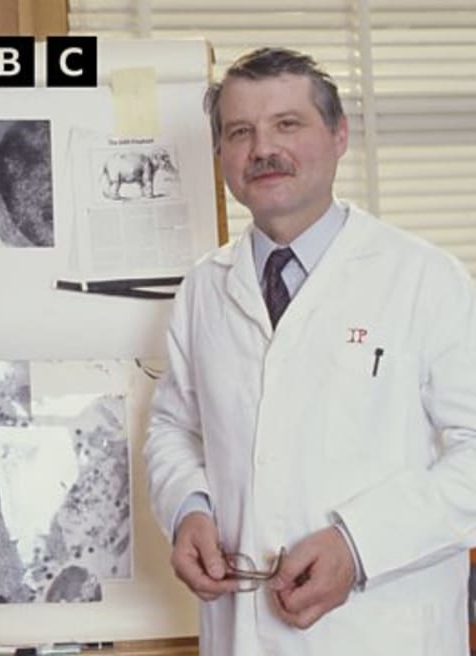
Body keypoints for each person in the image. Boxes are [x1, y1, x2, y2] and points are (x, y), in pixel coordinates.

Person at [144, 46, 476, 655]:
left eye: (287, 124)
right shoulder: (203, 290)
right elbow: (172, 427)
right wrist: (189, 508)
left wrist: (358, 544)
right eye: (239, 132)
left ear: (340, 135)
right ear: (219, 154)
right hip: (243, 628)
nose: (262, 149)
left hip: (382, 631)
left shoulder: (425, 279)